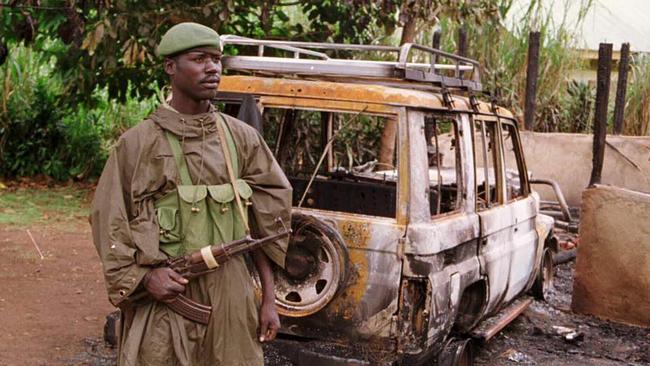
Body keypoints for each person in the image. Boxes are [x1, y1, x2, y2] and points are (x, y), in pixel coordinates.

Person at [90, 22, 292, 366]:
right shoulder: (137, 145)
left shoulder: (241, 139)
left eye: (216, 59)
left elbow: (264, 226)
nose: (212, 68)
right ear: (171, 67)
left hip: (232, 293)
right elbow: (109, 220)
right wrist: (144, 278)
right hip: (166, 296)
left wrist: (269, 300)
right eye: (199, 59)